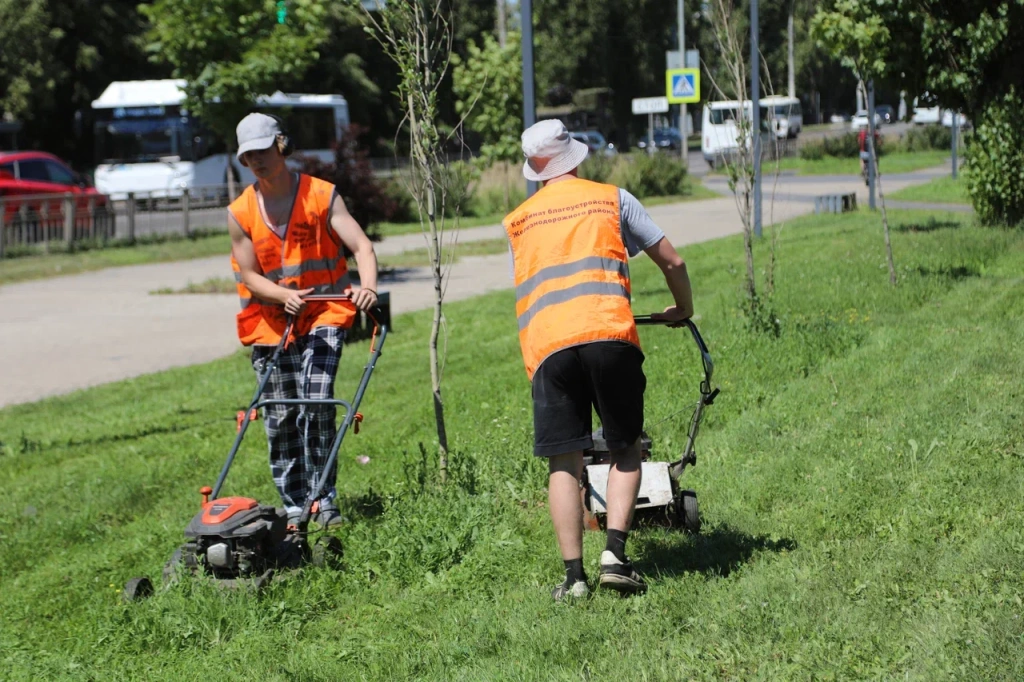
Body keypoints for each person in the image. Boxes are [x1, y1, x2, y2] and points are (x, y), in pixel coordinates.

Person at [503, 119, 694, 601]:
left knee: (563, 462)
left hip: (549, 347)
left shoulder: (518, 222)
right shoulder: (612, 199)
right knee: (625, 447)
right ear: (573, 155)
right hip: (608, 335)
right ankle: (615, 557)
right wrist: (682, 308)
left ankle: (574, 579)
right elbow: (672, 261)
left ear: (535, 169)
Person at [228, 113, 379, 529]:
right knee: (279, 417)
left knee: (317, 400)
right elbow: (249, 276)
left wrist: (367, 288)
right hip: (271, 323)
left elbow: (362, 247)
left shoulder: (321, 195)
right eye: (248, 156)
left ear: (280, 145)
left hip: (324, 313)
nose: (256, 161)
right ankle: (295, 504)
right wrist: (283, 296)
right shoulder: (240, 212)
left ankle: (323, 498)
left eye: (262, 151)